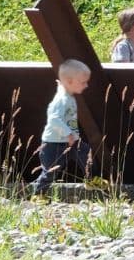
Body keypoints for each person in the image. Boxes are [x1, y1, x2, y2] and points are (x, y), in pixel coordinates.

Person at [32, 60, 92, 193]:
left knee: (86, 153)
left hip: (71, 141)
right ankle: (39, 195)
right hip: (54, 144)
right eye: (83, 82)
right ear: (70, 81)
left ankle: (91, 179)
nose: (86, 85)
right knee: (51, 171)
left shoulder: (67, 94)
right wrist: (67, 133)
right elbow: (54, 119)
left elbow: (62, 88)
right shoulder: (62, 100)